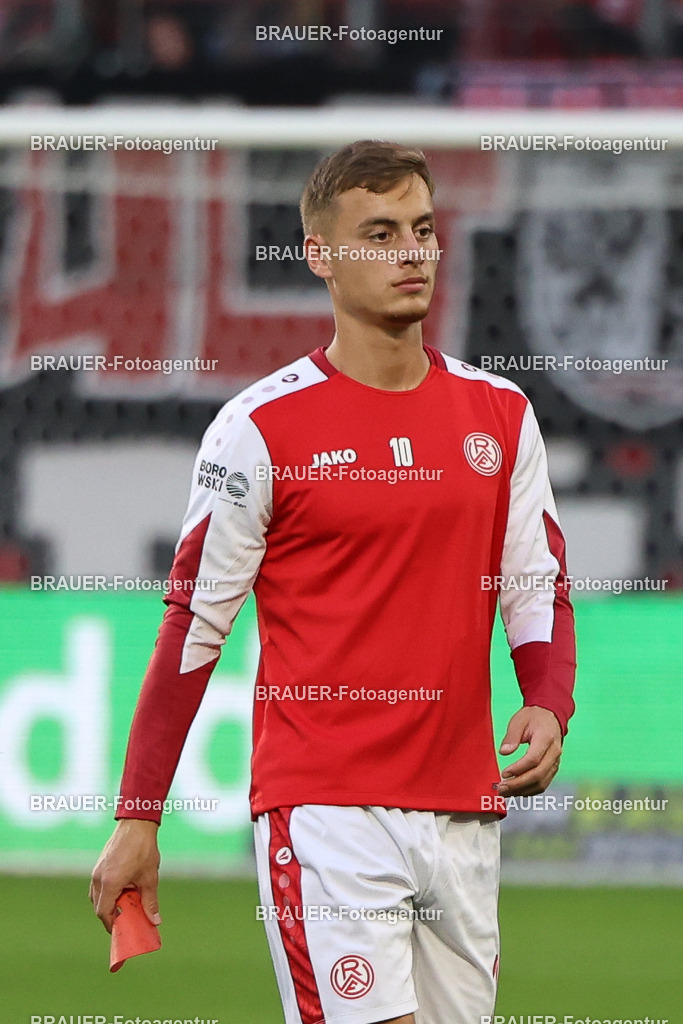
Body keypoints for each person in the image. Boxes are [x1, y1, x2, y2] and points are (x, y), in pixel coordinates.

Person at [90, 140, 576, 1024]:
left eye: (422, 230)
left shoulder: (500, 416)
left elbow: (535, 582)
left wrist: (547, 699)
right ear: (320, 256)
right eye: (379, 233)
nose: (410, 253)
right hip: (327, 814)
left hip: (463, 814)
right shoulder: (260, 429)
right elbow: (193, 629)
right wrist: (138, 815)